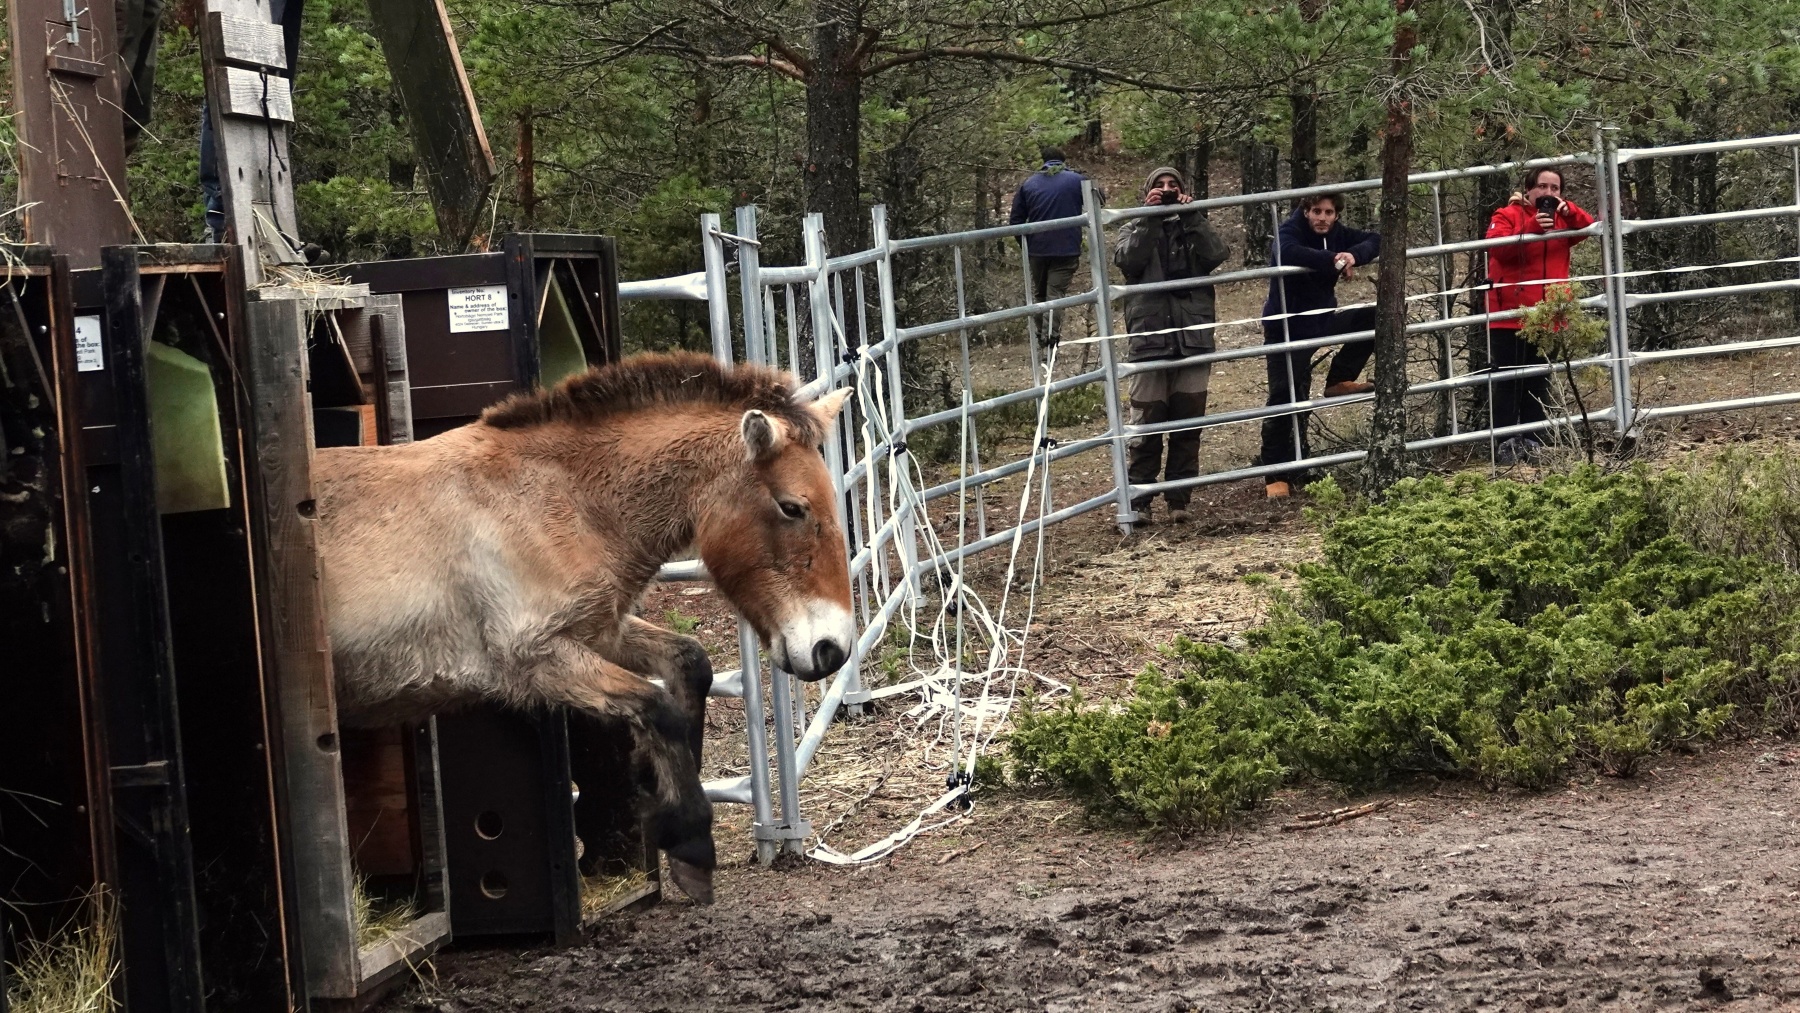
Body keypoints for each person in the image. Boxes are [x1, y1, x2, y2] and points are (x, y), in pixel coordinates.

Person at [1114, 167, 1230, 524]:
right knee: (1145, 425)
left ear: (1183, 191)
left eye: (1172, 186)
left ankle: (1179, 501)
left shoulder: (1194, 224)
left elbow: (1216, 254)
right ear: (1146, 192)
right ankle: (1140, 501)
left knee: (1188, 423)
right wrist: (1150, 219)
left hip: (1193, 338)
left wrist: (1191, 215)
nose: (1166, 191)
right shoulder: (1132, 226)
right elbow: (1128, 261)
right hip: (1149, 339)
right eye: (1158, 186)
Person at [1257, 192, 1381, 498]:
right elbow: (1287, 251)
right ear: (1305, 211)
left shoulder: (1337, 232)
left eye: (1328, 212)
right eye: (1316, 211)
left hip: (1321, 320)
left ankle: (1339, 378)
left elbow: (1375, 239)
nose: (1322, 218)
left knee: (1372, 317)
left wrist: (1353, 256)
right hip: (1286, 326)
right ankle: (1275, 473)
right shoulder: (1291, 230)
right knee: (1284, 397)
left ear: (1336, 215)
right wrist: (1334, 260)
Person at [1483, 166, 1597, 462]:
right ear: (1529, 190)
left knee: (1538, 381)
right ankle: (1505, 444)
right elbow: (1498, 250)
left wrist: (1566, 209)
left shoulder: (1564, 220)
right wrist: (1533, 228)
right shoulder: (1506, 215)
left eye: (1555, 188)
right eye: (1542, 187)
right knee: (1509, 382)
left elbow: (1587, 226)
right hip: (1510, 314)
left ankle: (1534, 442)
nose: (1548, 193)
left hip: (1550, 315)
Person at [1008, 146, 1092, 348]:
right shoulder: (1077, 180)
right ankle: (1050, 339)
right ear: (1063, 161)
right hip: (1066, 248)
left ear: (1043, 160)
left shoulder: (1029, 183)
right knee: (1055, 292)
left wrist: (1025, 244)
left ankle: (1041, 336)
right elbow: (1098, 200)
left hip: (1037, 248)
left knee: (1040, 293)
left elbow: (1016, 220)